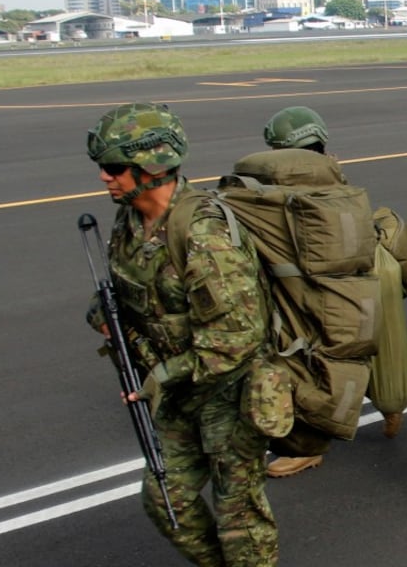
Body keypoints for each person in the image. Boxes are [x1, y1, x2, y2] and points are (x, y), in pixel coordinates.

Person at [86, 102, 282, 565]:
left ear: (151, 167)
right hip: (179, 393)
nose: (104, 178)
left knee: (240, 519)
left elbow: (238, 339)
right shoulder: (130, 222)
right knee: (165, 500)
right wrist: (105, 316)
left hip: (230, 396)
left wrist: (159, 377)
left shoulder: (203, 233)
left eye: (114, 168)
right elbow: (129, 294)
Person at [260, 106, 407, 478]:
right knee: (361, 342)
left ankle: (307, 443)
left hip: (316, 283)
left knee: (299, 355)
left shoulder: (287, 186)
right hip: (358, 276)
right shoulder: (333, 173)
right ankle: (389, 407)